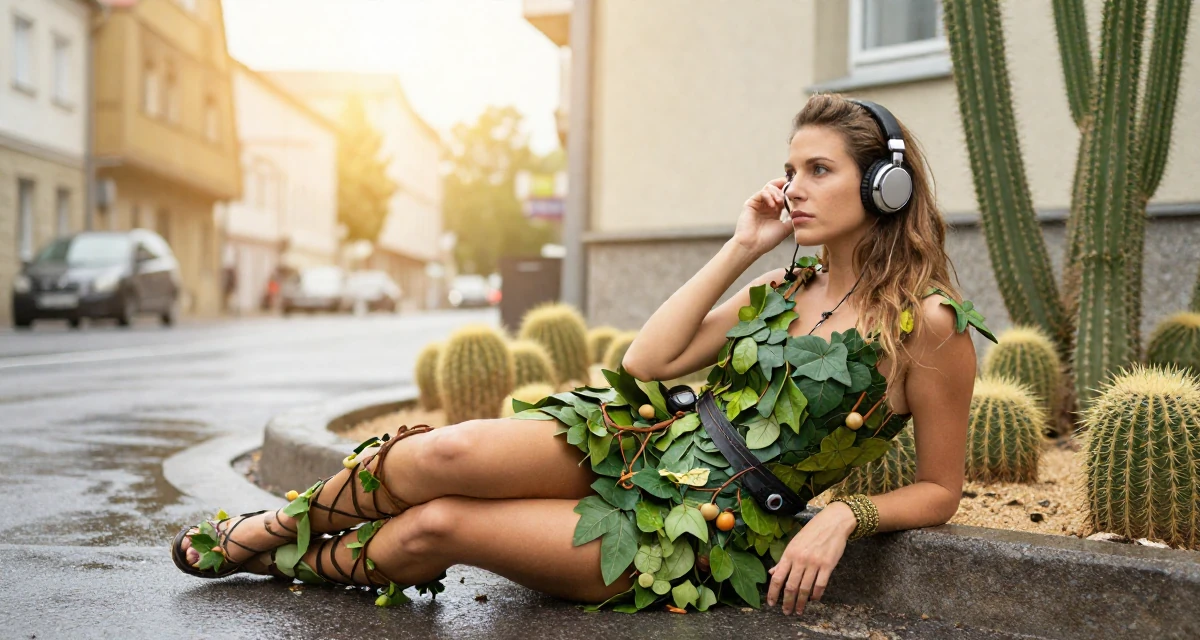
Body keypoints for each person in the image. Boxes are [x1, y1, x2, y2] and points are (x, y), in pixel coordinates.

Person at [171, 93, 986, 617]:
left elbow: (940, 490)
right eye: (789, 170)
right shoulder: (783, 283)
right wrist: (740, 247)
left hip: (696, 527)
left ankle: (296, 563)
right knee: (441, 451)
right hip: (643, 439)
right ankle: (272, 530)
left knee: (440, 527)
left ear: (887, 187)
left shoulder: (930, 327)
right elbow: (647, 362)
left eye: (819, 170)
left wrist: (847, 513)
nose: (793, 189)